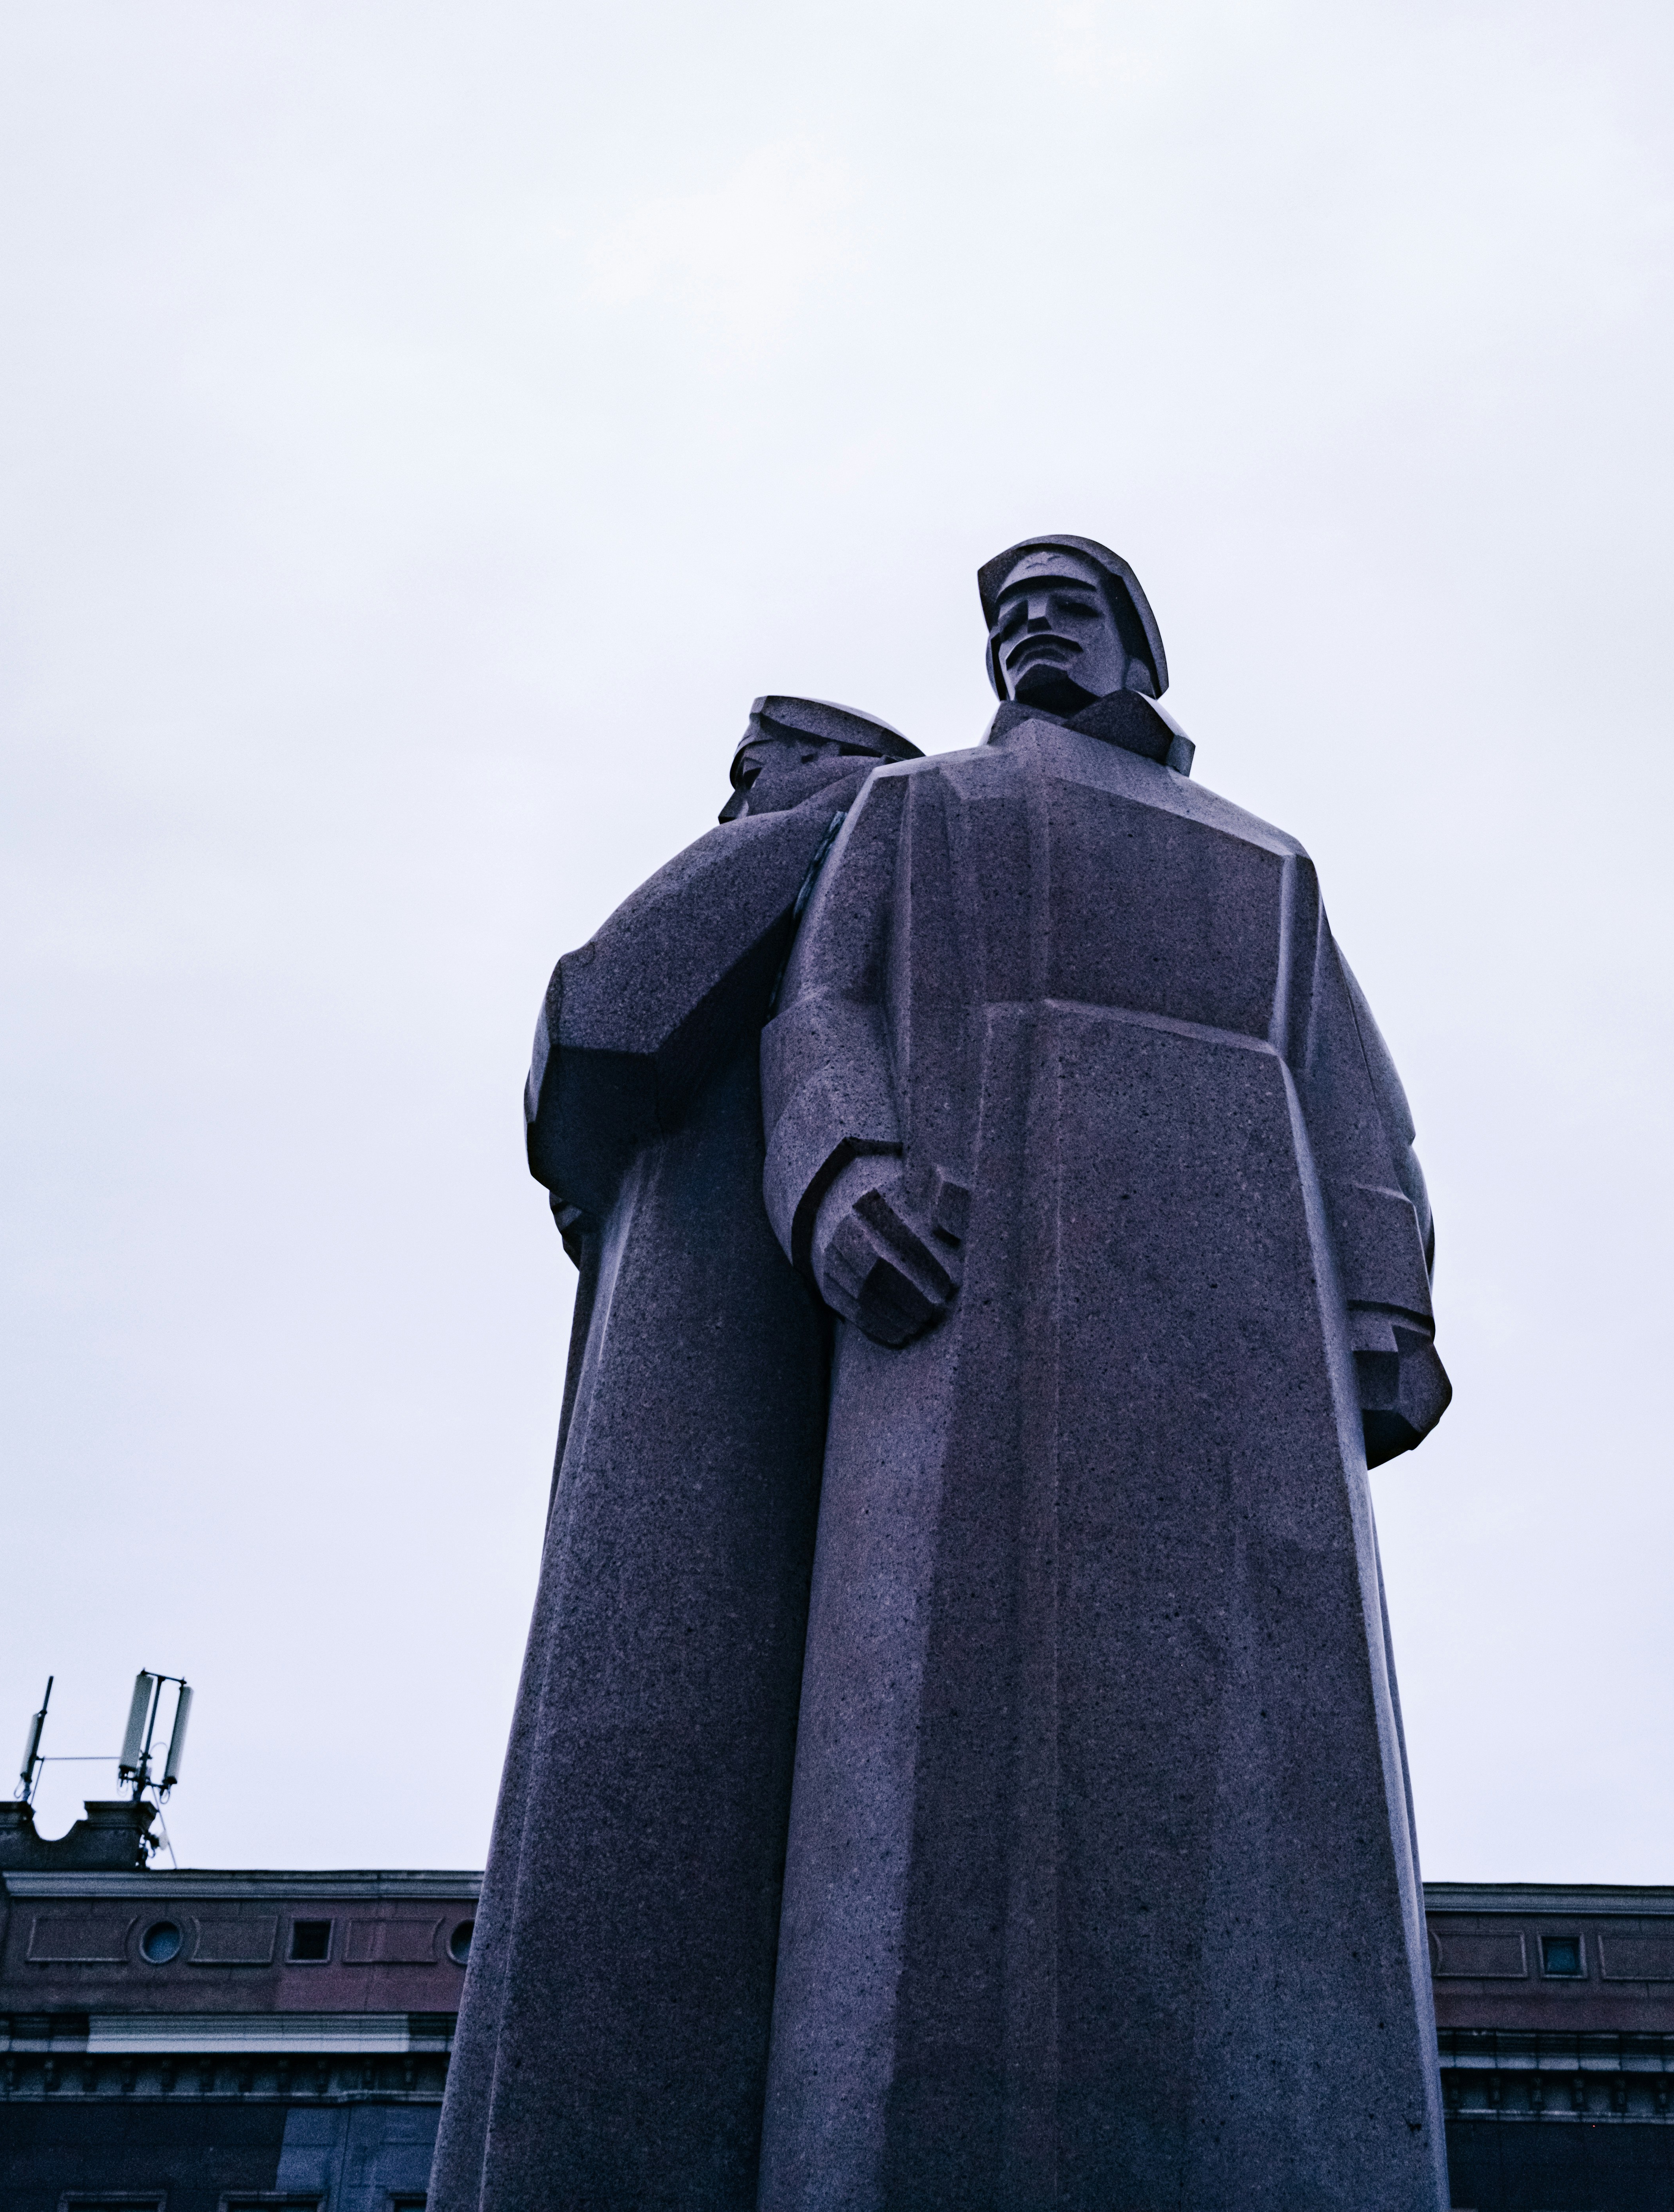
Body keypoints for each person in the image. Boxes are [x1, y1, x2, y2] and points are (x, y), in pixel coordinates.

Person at [757, 541, 1451, 2212]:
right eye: (1005, 613)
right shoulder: (919, 811)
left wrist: (1386, 1302)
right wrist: (845, 1175)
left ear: (1137, 639)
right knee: (944, 1763)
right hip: (977, 1273)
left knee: (1280, 1780)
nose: (1027, 627)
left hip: (1243, 1315)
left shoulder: (1268, 863)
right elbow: (820, 1006)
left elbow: (1347, 1089)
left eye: (1064, 601)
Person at [430, 694, 921, 2212]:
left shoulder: (825, 836)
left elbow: (604, 1020)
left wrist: (777, 834)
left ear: (833, 766)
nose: (738, 790)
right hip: (734, 1292)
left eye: (759, 765)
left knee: (642, 1708)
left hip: (718, 1303)